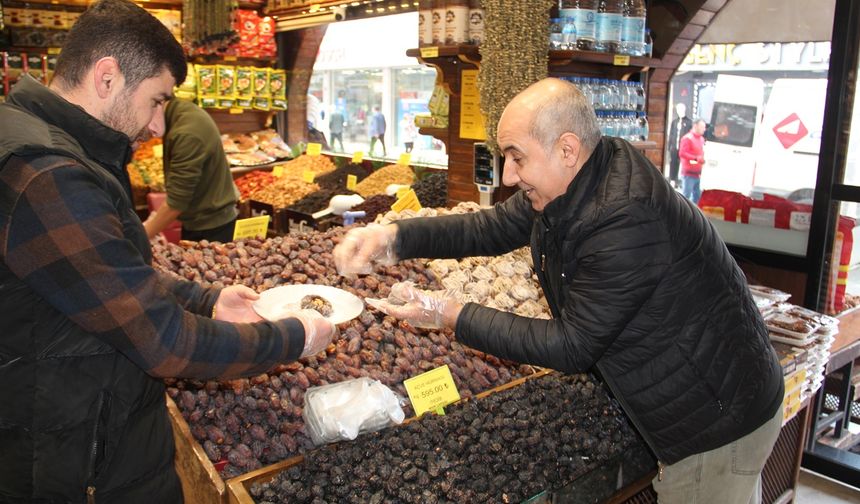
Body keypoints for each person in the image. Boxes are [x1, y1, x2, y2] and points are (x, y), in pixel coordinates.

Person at [333, 78, 784, 504]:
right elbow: (491, 227)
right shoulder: (582, 178)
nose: (508, 176)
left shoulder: (625, 216)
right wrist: (395, 238)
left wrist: (448, 314)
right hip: (695, 394)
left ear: (567, 149)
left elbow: (572, 346)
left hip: (715, 420)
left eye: (517, 157)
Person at [0, 1, 335, 502]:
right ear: (107, 77)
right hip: (74, 458)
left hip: (74, 423)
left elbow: (106, 273)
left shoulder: (36, 139)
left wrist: (207, 300)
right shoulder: (50, 174)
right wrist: (293, 338)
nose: (158, 126)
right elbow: (164, 341)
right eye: (156, 100)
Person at [143, 98, 240, 242]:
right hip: (201, 220)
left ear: (158, 102)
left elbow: (176, 203)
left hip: (212, 229)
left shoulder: (186, 133)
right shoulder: (181, 112)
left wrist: (142, 236)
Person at [679, 118, 707, 204]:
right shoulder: (687, 138)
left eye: (704, 127)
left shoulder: (702, 139)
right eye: (702, 127)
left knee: (697, 196)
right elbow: (682, 153)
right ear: (695, 126)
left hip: (698, 173)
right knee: (686, 196)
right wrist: (696, 158)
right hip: (688, 173)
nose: (704, 129)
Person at [667, 102, 693, 188]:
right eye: (677, 109)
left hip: (684, 148)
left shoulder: (689, 122)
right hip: (674, 147)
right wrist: (669, 146)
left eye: (680, 109)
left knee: (683, 164)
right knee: (673, 163)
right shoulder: (674, 122)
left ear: (684, 110)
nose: (679, 111)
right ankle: (672, 180)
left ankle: (681, 181)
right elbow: (671, 134)